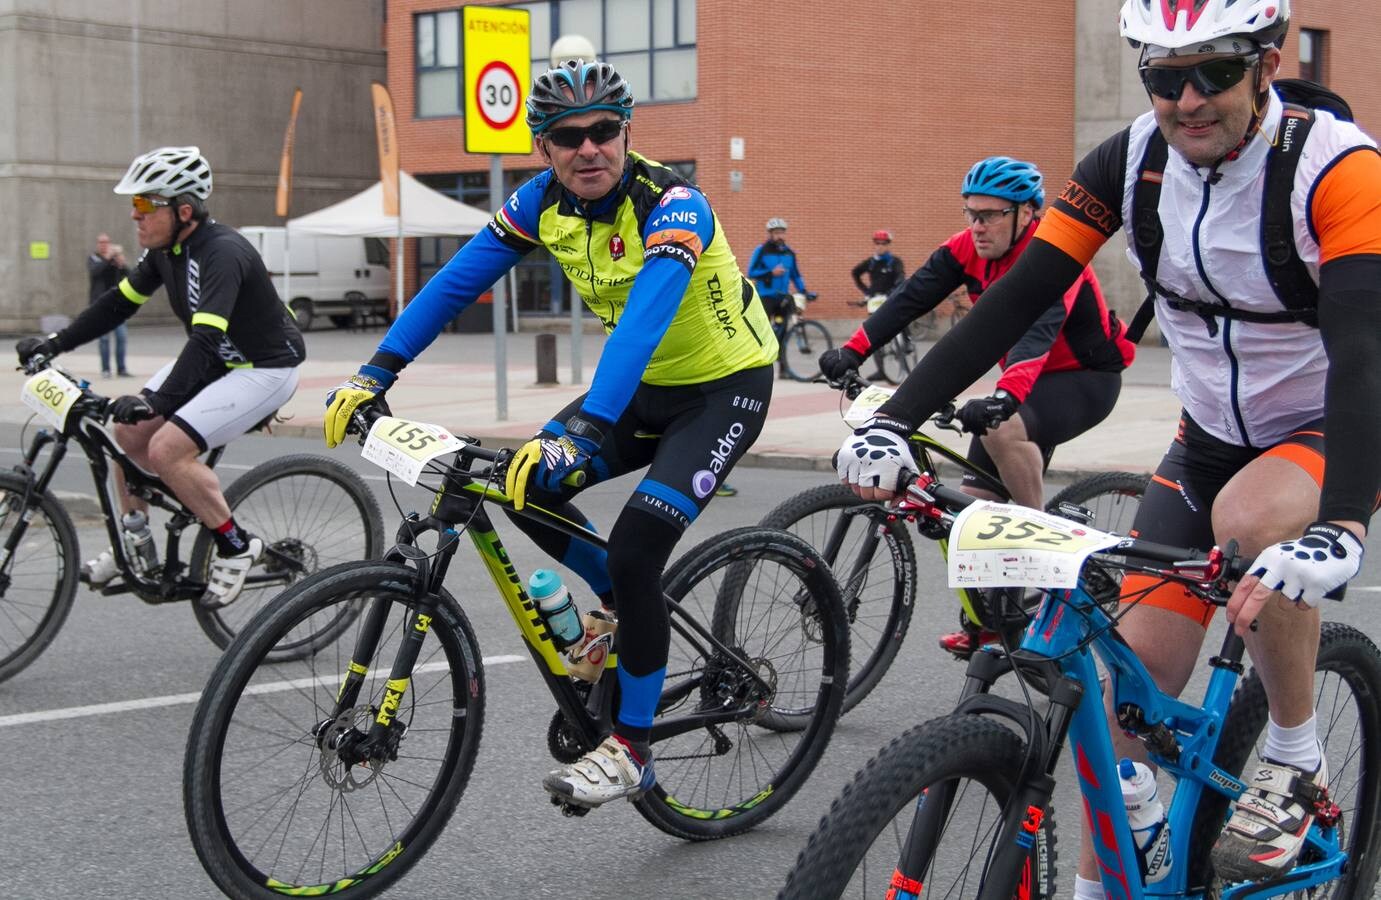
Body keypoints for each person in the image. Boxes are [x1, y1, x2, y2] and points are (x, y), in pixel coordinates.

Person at [835, 0, 1379, 892]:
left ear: (1266, 65)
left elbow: (1363, 353)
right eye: (1165, 77)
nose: (1188, 98)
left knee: (1250, 524)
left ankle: (1292, 754)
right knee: (1117, 738)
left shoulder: (1338, 172)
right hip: (1204, 440)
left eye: (1213, 71)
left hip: (1327, 423)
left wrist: (1345, 524)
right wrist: (899, 418)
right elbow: (1013, 301)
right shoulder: (1128, 162)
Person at [321, 60, 777, 809]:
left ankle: (631, 749)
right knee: (521, 484)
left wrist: (586, 429)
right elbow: (454, 284)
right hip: (639, 392)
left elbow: (641, 325)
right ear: (543, 147)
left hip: (722, 391)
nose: (588, 148)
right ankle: (623, 612)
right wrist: (376, 371)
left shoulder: (674, 206)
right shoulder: (539, 203)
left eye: (604, 131)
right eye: (568, 136)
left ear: (627, 133)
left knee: (634, 546)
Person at [823, 157, 1134, 653]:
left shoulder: (1055, 254)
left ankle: (1046, 551)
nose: (977, 225)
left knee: (1003, 430)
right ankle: (994, 618)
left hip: (1082, 380)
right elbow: (909, 299)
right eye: (971, 213)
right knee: (977, 502)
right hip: (1023, 380)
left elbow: (1037, 334)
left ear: (1027, 214)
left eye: (990, 215)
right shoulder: (966, 249)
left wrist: (1005, 396)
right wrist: (853, 350)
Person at [16, 146, 305, 607]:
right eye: (133, 205)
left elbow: (205, 341)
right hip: (218, 361)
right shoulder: (165, 252)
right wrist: (55, 343)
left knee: (166, 449)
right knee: (125, 432)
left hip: (264, 367)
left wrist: (158, 403)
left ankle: (235, 544)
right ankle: (135, 542)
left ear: (183, 210)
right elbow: (117, 305)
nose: (134, 215)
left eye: (145, 205)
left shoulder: (222, 253)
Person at [748, 218, 814, 374]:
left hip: (782, 298)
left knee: (783, 332)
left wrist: (803, 290)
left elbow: (796, 275)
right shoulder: (762, 250)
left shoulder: (789, 253)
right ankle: (756, 368)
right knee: (762, 332)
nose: (780, 236)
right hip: (765, 296)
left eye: (782, 232)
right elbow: (751, 272)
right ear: (770, 234)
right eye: (776, 233)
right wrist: (771, 273)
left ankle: (784, 370)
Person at [87, 234, 131, 377]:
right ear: (97, 245)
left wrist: (122, 264)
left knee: (121, 337)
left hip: (117, 304)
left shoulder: (114, 260)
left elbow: (129, 275)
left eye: (106, 242)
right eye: (101, 242)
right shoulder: (93, 258)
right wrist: (108, 258)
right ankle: (106, 369)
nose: (104, 245)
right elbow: (95, 272)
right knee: (104, 339)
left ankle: (121, 368)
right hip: (100, 305)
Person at [850, 230, 905, 299]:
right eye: (877, 243)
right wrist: (867, 291)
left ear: (888, 245)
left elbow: (900, 279)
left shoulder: (895, 262)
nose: (880, 246)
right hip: (874, 299)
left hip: (890, 300)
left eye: (883, 244)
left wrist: (890, 294)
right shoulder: (871, 262)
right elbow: (855, 273)